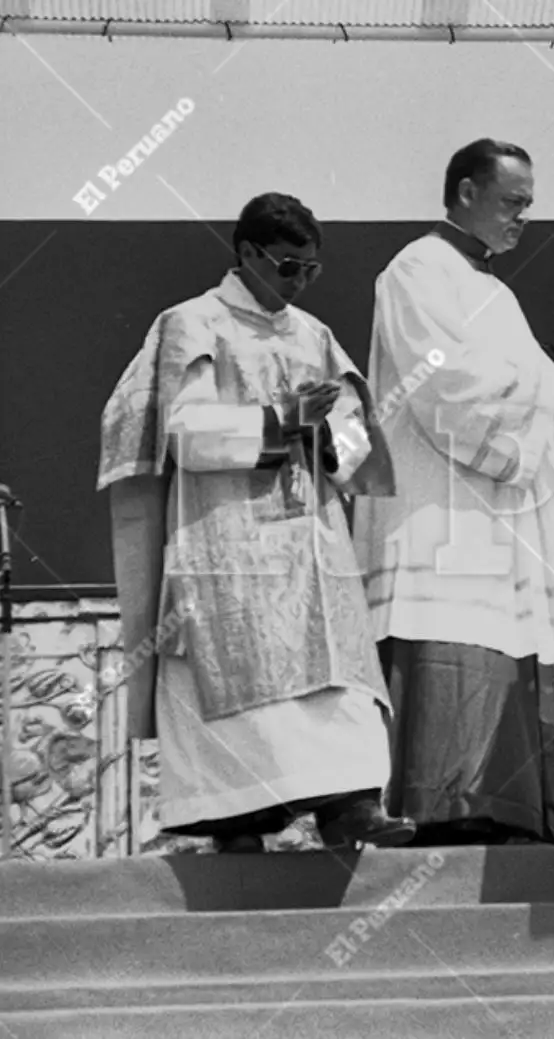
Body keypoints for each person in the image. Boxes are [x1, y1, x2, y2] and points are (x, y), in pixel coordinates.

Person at [97, 192, 415, 852]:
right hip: (226, 539)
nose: (299, 282)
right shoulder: (193, 324)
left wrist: (328, 432)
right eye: (288, 266)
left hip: (312, 542)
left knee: (336, 672)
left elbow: (356, 449)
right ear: (247, 253)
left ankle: (350, 807)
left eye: (310, 270)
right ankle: (235, 818)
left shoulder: (313, 336)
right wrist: (281, 421)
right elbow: (186, 434)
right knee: (240, 674)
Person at [354, 139, 554, 846]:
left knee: (503, 652)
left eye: (529, 205)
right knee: (452, 648)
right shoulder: (417, 270)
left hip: (494, 520)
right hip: (438, 512)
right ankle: (445, 820)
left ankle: (508, 818)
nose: (523, 218)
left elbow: (543, 403)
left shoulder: (496, 294)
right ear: (465, 192)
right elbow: (442, 384)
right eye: (512, 202)